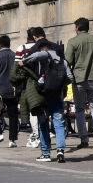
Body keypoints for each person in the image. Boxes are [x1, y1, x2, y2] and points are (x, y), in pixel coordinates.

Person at [19, 35, 69, 163]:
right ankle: (60, 151)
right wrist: (60, 85)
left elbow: (37, 56)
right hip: (57, 95)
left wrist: (24, 61)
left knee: (43, 124)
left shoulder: (44, 55)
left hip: (43, 94)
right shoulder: (62, 60)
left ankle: (46, 153)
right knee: (58, 123)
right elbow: (70, 77)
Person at [66, 17, 93, 149]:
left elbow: (67, 61)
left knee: (79, 109)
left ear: (77, 28)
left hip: (78, 79)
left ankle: (84, 139)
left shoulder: (73, 42)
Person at [0, 34, 20, 148]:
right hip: (13, 89)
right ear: (9, 44)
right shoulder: (15, 56)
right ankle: (12, 139)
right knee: (13, 115)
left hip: (0, 89)